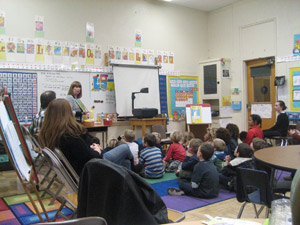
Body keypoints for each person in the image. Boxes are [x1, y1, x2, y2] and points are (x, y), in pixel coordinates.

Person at [38, 98, 133, 176]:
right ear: (68, 113)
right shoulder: (70, 136)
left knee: (126, 162)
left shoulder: (51, 133)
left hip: (83, 166)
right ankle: (136, 167)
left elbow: (87, 144)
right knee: (125, 148)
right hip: (91, 168)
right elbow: (92, 157)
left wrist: (94, 145)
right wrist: (97, 150)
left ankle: (127, 189)